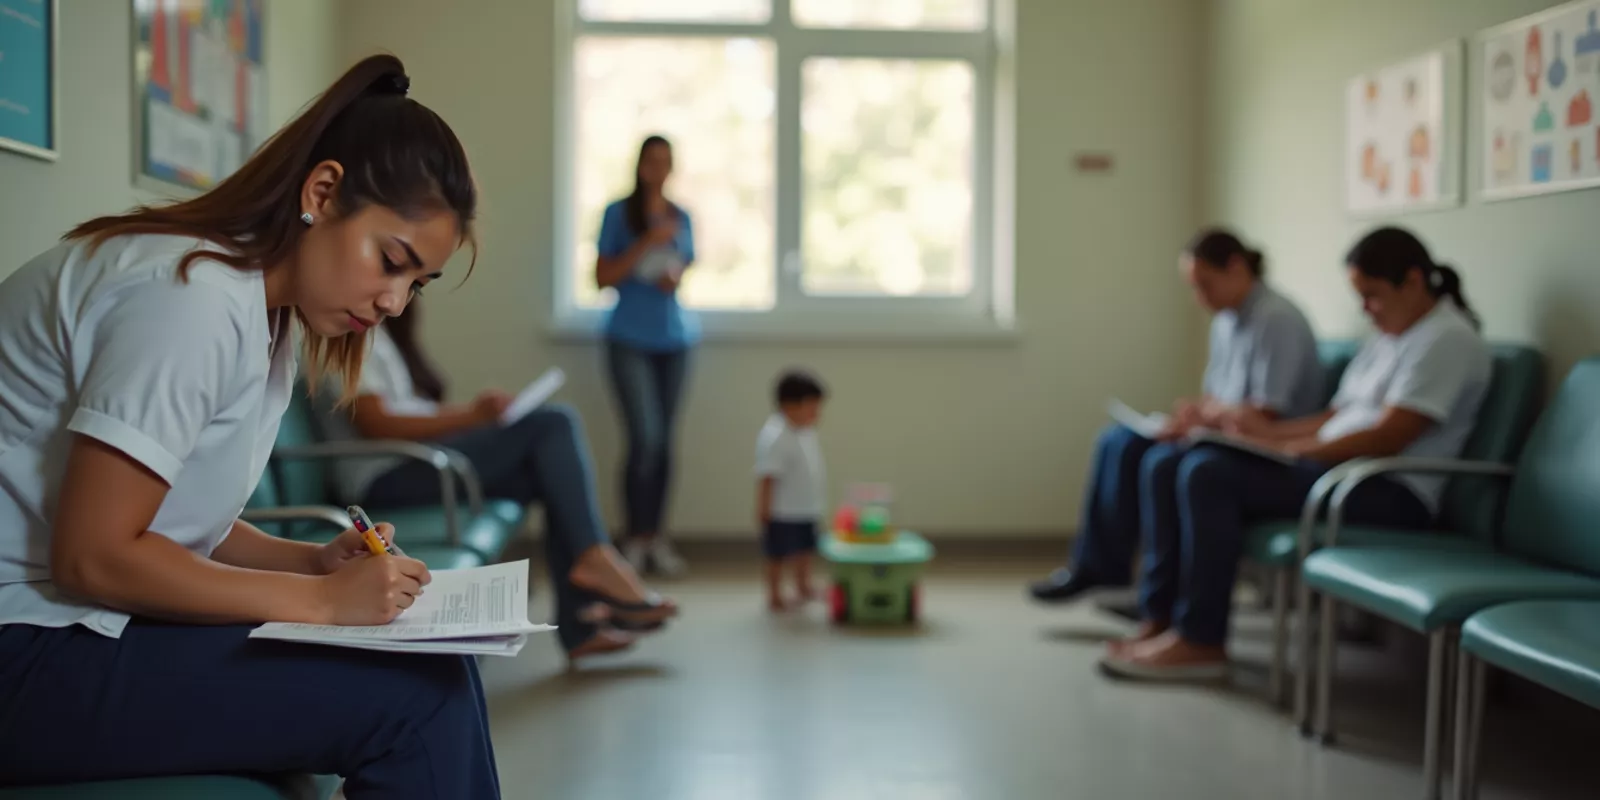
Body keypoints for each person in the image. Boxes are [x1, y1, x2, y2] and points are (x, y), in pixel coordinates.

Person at [0, 56, 501, 796]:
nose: (396, 301)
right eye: (391, 261)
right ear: (322, 193)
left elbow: (164, 517)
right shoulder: (189, 297)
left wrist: (308, 565)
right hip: (26, 645)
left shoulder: (256, 311)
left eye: (415, 283)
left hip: (57, 622)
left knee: (435, 670)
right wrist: (325, 607)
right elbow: (95, 557)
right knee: (417, 701)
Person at [1099, 226, 1490, 680]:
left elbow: (1389, 436)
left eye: (1373, 296)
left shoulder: (1447, 340)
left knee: (1206, 472)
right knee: (1169, 462)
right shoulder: (1389, 336)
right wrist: (1267, 437)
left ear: (1415, 281)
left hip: (1385, 490)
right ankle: (1161, 618)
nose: (1366, 310)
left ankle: (1201, 640)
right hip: (1338, 472)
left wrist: (1290, 449)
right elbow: (1334, 416)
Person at [324, 298, 679, 662]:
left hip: (418, 463)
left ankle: (581, 626)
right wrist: (470, 418)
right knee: (554, 423)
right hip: (384, 480)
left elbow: (407, 412)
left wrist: (478, 415)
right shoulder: (347, 334)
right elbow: (377, 424)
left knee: (542, 473)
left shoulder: (377, 335)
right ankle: (596, 559)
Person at [1028, 228, 1324, 613]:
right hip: (1226, 434)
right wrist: (1194, 414)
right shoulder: (1227, 321)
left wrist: (1203, 423)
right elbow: (1220, 398)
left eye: (1205, 285)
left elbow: (1267, 412)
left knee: (1160, 461)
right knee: (1116, 440)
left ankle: (1161, 598)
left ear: (1236, 267)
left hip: (1264, 448)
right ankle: (1102, 569)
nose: (1199, 298)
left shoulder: (1276, 319)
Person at [595, 135, 697, 577]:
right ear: (639, 165)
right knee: (644, 441)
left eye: (666, 161)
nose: (658, 168)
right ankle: (633, 539)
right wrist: (645, 243)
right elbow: (603, 276)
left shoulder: (681, 216)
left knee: (665, 446)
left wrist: (670, 272)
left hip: (673, 342)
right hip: (628, 340)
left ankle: (657, 538)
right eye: (651, 160)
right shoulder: (618, 214)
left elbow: (682, 269)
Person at [754, 370, 828, 611]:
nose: (816, 414)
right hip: (782, 511)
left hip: (806, 507)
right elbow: (767, 476)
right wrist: (764, 508)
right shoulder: (775, 436)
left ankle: (803, 585)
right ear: (789, 405)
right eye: (812, 408)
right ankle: (774, 593)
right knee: (778, 555)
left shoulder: (805, 431)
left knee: (805, 550)